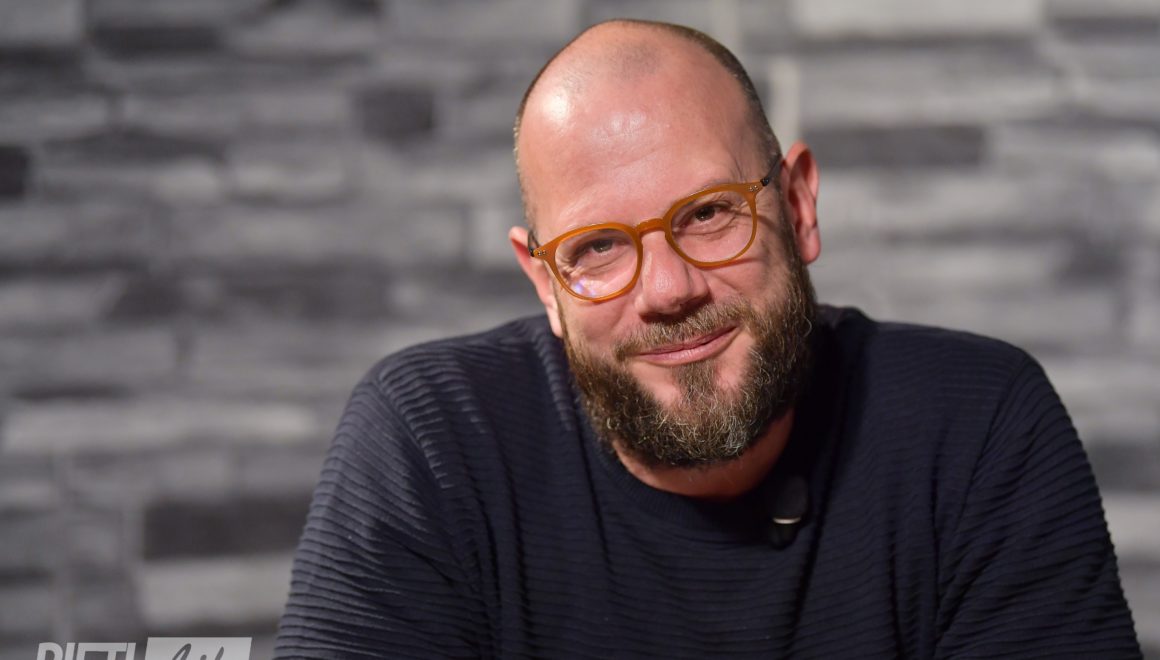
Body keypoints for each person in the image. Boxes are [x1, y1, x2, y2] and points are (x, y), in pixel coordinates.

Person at [275, 19, 1141, 658]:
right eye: (597, 247)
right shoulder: (430, 441)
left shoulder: (978, 425)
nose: (668, 290)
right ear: (546, 284)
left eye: (709, 214)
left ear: (797, 207)